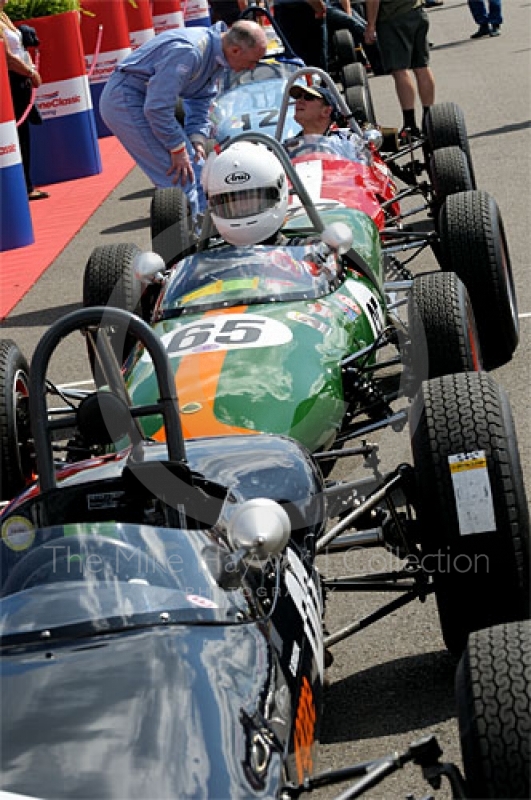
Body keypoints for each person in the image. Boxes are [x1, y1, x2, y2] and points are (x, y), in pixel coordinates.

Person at [99, 20, 267, 217]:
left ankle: (211, 227)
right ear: (236, 50)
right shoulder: (189, 51)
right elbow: (157, 108)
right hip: (126, 100)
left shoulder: (219, 55)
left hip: (147, 100)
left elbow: (202, 99)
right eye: (253, 61)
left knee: (199, 169)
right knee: (180, 177)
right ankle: (194, 238)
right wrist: (176, 147)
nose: (252, 68)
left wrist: (196, 139)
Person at [363, 0, 436, 141]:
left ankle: (410, 124)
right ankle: (430, 119)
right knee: (421, 66)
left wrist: (370, 26)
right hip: (416, 11)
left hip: (393, 17)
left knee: (400, 70)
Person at [0, 2, 48, 201]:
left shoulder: (3, 15)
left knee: (24, 134)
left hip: (21, 79)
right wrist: (30, 71)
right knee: (18, 136)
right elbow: (7, 57)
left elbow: (18, 47)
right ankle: (24, 187)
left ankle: (26, 184)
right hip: (10, 80)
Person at [201, 140, 289, 245]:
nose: (242, 208)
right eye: (233, 202)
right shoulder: (207, 259)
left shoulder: (304, 253)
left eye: (251, 199)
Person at [283, 83, 370, 164]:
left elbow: (364, 170)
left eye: (308, 97)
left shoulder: (347, 139)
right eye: (298, 97)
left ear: (326, 111)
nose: (299, 101)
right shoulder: (286, 148)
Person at [326, 0, 384, 74]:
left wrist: (348, 13)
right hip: (325, 8)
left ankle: (378, 64)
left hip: (334, 5)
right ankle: (379, 65)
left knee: (365, 27)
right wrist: (348, 15)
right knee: (361, 28)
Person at [273, 0, 328, 70]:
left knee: (294, 62)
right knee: (314, 66)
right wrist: (318, 7)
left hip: (283, 9)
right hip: (303, 10)